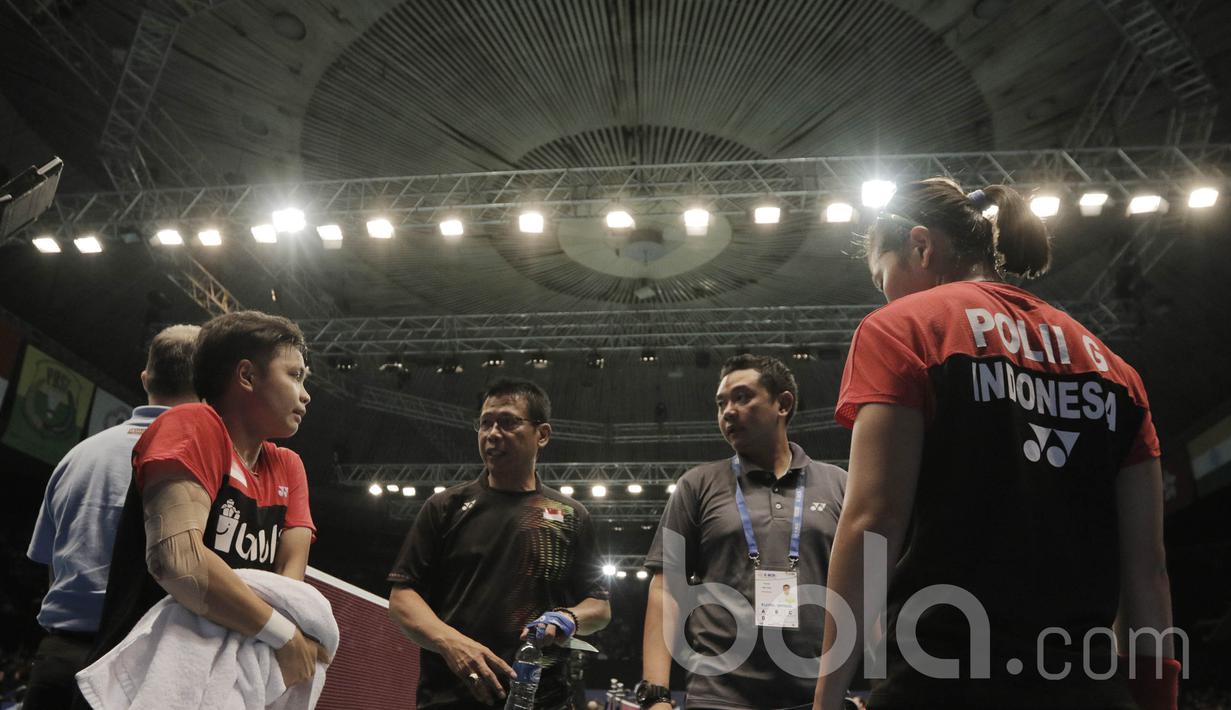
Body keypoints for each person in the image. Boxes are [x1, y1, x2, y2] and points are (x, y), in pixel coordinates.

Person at [812, 179, 1176, 710]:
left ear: (921, 246)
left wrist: (827, 697)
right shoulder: (1117, 373)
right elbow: (1148, 568)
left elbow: (874, 520)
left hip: (946, 683)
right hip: (1087, 690)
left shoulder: (901, 329)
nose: (883, 293)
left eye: (881, 275)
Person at [78, 310, 327, 705]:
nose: (305, 393)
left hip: (231, 685)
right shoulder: (191, 425)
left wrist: (283, 630)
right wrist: (284, 636)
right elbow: (178, 562)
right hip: (139, 686)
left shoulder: (288, 467)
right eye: (295, 375)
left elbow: (287, 594)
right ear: (247, 375)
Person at [388, 378, 611, 709]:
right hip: (449, 699)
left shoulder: (571, 515)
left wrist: (568, 618)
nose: (492, 434)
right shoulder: (445, 507)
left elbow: (600, 607)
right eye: (485, 423)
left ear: (542, 434)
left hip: (542, 700)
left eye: (507, 422)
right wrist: (451, 643)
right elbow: (402, 596)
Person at [641, 354, 848, 710]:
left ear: (783, 404)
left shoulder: (839, 485)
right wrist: (655, 695)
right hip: (717, 696)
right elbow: (666, 588)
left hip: (817, 695)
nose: (728, 412)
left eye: (741, 397)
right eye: (721, 403)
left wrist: (881, 685)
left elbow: (866, 588)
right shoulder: (696, 485)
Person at [23, 325, 200, 709]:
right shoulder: (201, 462)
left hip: (58, 660)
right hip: (139, 668)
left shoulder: (79, 455)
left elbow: (53, 566)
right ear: (208, 386)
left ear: (145, 379)